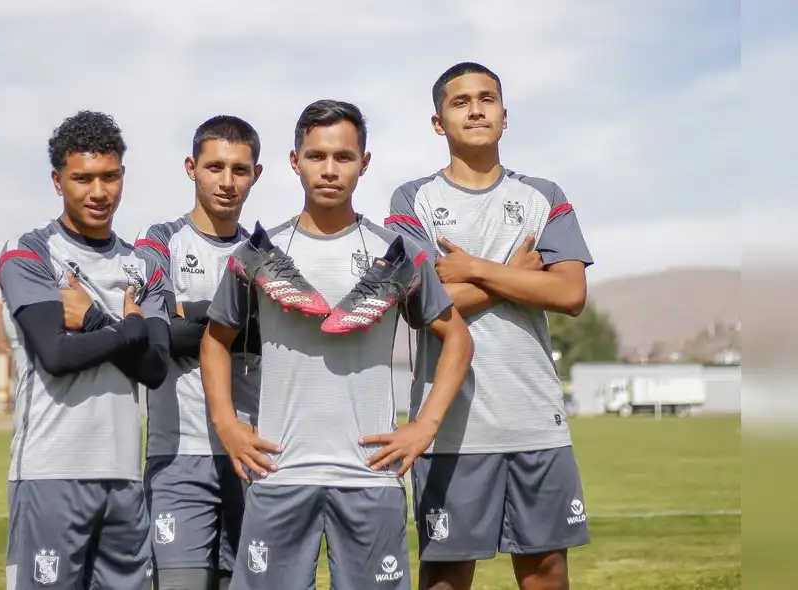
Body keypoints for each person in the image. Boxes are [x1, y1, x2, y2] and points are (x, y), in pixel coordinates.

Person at [200, 99, 474, 590]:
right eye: (317, 156)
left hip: (370, 479)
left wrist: (425, 426)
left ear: (364, 163)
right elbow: (215, 341)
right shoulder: (257, 255)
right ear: (294, 161)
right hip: (278, 477)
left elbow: (457, 338)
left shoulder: (398, 255)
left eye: (344, 157)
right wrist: (227, 424)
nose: (330, 170)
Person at [385, 61, 594, 590]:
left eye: (487, 99)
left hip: (535, 421)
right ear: (438, 122)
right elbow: (421, 308)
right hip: (453, 430)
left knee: (546, 572)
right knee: (446, 575)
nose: (475, 109)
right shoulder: (412, 201)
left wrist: (476, 269)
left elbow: (569, 293)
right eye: (460, 102)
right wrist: (519, 276)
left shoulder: (544, 195)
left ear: (505, 115)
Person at [0, 110, 172, 590]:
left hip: (123, 477)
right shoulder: (30, 253)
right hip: (50, 472)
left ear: (122, 175)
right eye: (82, 179)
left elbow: (155, 369)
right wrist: (127, 331)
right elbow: (54, 355)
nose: (99, 192)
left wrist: (95, 322)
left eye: (110, 177)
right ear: (58, 181)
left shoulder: (142, 266)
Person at [133, 115, 264, 590]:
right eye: (214, 167)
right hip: (178, 456)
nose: (227, 182)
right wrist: (237, 316)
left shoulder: (262, 254)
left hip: (250, 455)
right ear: (191, 167)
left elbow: (267, 335)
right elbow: (156, 333)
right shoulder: (160, 241)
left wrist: (191, 313)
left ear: (256, 174)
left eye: (239, 169)